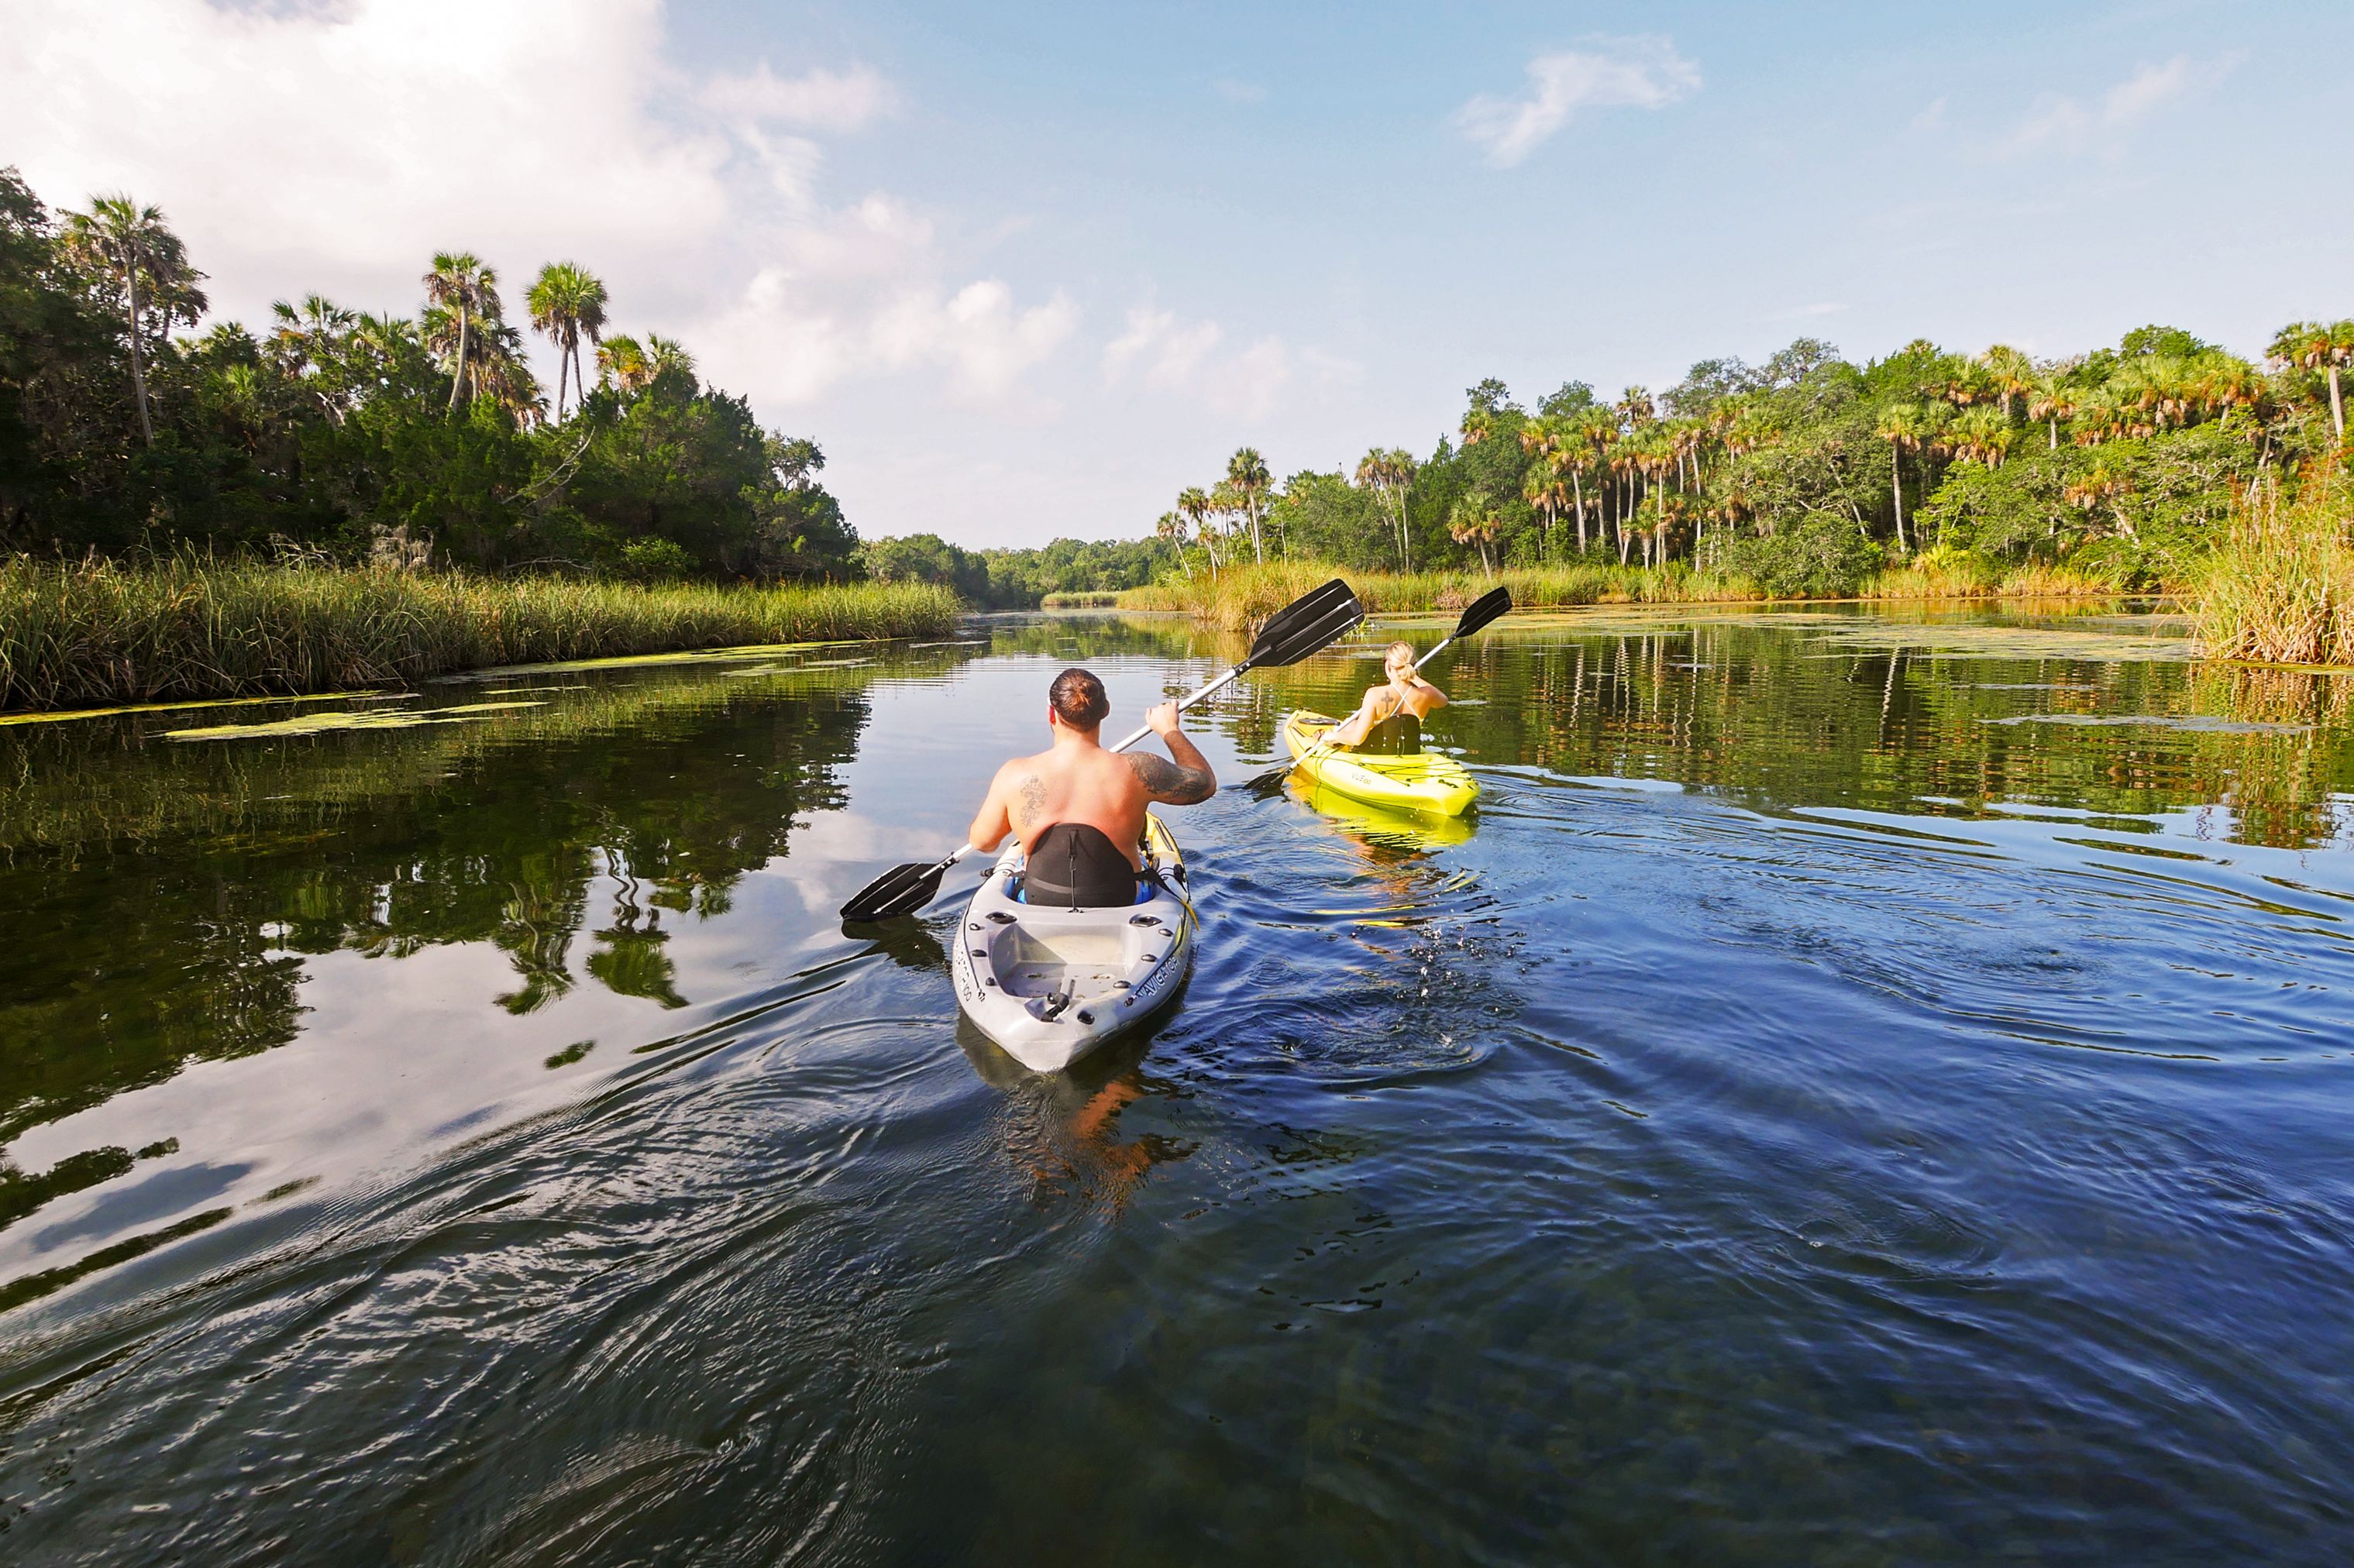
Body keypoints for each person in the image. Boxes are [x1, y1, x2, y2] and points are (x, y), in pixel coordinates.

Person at [967, 668, 1217, 908]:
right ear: (1105, 710)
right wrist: (1169, 729)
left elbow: (983, 842)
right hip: (1121, 900)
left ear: (1051, 714)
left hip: (1039, 898)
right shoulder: (1138, 770)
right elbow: (1204, 784)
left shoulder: (1015, 774)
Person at [1322, 640, 1447, 754]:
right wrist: (1413, 676)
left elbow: (1357, 739)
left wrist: (1333, 736)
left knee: (1349, 727)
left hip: (1376, 754)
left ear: (1388, 666)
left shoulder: (1374, 694)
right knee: (1352, 724)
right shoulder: (1426, 694)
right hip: (1411, 752)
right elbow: (1443, 701)